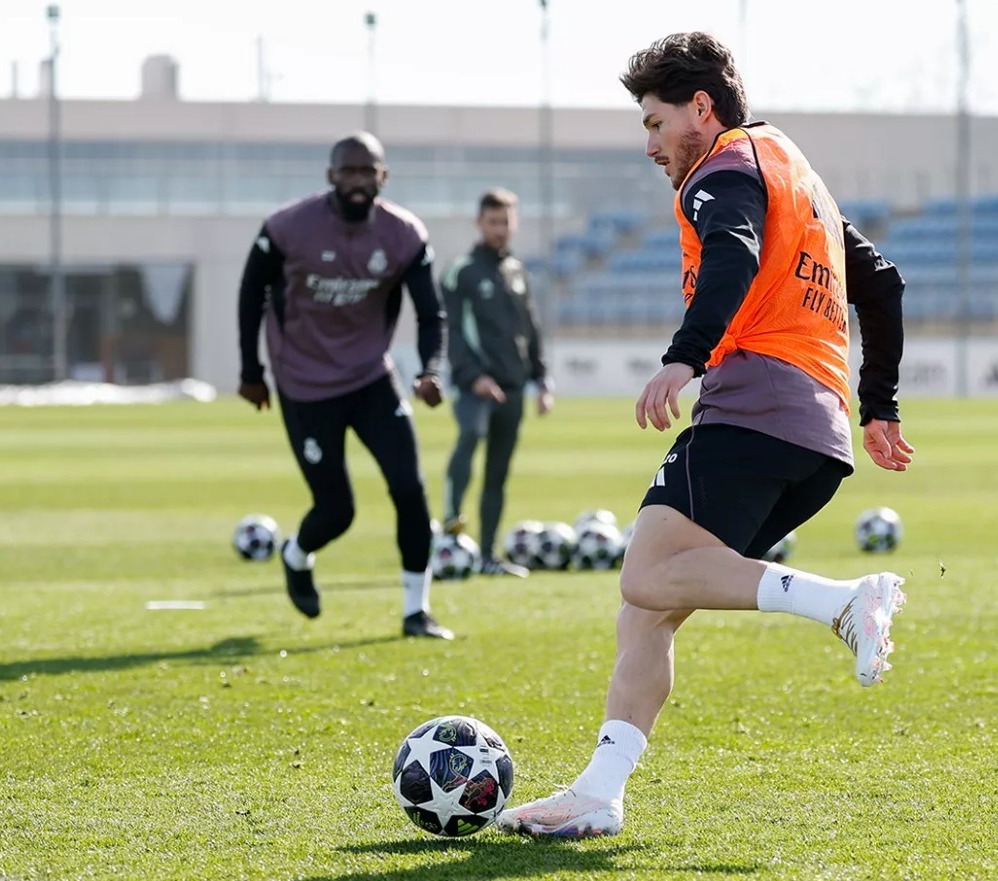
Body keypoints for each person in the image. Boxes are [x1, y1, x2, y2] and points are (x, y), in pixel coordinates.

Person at [497, 32, 914, 838]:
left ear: (701, 107)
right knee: (651, 606)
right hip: (815, 432)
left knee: (646, 572)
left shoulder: (723, 167)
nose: (651, 146)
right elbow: (883, 285)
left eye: (656, 124)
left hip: (755, 403)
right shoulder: (795, 175)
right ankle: (600, 790)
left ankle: (844, 602)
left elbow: (731, 251)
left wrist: (684, 358)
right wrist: (878, 405)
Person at [236, 132, 455, 640]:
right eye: (348, 171)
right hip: (304, 383)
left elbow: (431, 313)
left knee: (410, 489)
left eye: (367, 171)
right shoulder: (287, 227)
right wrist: (251, 372)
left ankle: (416, 610)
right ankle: (296, 554)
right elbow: (251, 293)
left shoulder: (404, 234)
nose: (358, 181)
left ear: (383, 177)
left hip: (371, 378)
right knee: (337, 512)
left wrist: (430, 370)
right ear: (331, 175)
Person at [439, 188, 554, 577]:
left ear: (514, 223)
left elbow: (530, 328)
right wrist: (474, 377)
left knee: (498, 472)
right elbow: (453, 331)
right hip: (475, 386)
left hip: (513, 386)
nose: (500, 229)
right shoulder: (461, 272)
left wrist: (542, 378)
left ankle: (488, 556)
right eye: (493, 221)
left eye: (506, 221)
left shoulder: (517, 271)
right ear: (480, 223)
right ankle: (451, 520)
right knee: (470, 436)